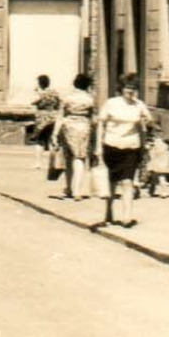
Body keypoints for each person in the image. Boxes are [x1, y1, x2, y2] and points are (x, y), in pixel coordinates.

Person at [96, 74, 153, 229]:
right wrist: (98, 147)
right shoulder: (111, 103)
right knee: (113, 182)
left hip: (131, 148)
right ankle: (108, 211)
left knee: (127, 181)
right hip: (111, 146)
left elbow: (149, 120)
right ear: (121, 88)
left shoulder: (139, 105)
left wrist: (147, 121)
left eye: (133, 88)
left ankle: (127, 217)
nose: (130, 91)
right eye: (128, 88)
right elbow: (101, 124)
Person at [50, 72, 96, 201]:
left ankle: (69, 188)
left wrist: (55, 133)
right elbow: (93, 118)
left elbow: (60, 116)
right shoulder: (89, 99)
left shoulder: (67, 98)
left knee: (68, 158)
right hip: (84, 127)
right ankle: (77, 190)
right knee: (80, 158)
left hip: (68, 127)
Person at [29, 74, 61, 170]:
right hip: (53, 117)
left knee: (40, 141)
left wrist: (37, 92)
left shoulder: (40, 94)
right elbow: (59, 103)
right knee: (52, 140)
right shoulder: (54, 92)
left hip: (42, 118)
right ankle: (52, 163)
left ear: (40, 83)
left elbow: (32, 102)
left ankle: (38, 163)